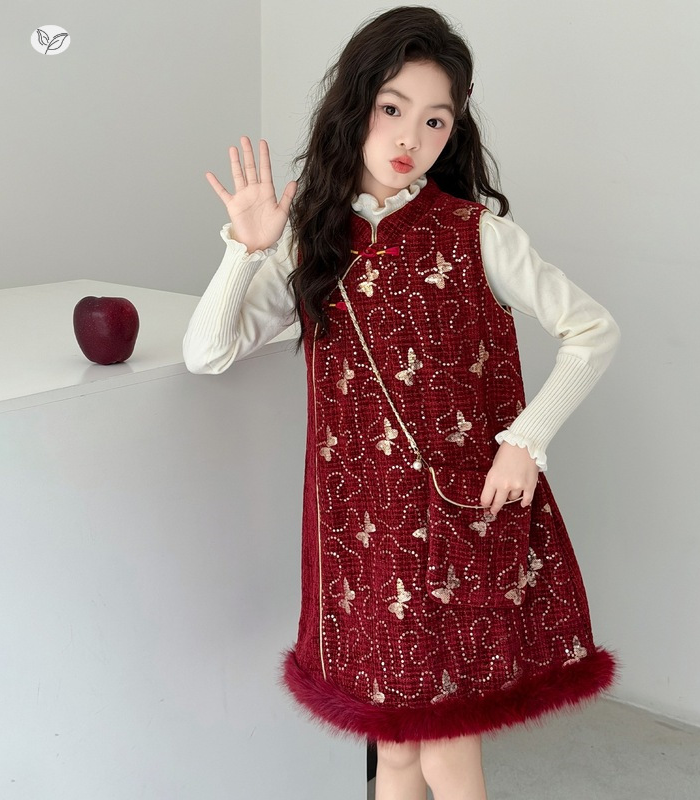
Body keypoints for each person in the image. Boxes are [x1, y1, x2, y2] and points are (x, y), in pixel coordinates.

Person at [183, 6, 621, 799]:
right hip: (362, 537)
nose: (408, 139)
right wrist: (246, 250)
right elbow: (207, 352)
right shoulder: (312, 243)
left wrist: (526, 439)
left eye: (434, 120)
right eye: (392, 108)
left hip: (459, 523)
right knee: (395, 754)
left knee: (447, 748)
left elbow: (593, 330)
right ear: (355, 105)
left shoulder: (478, 234)